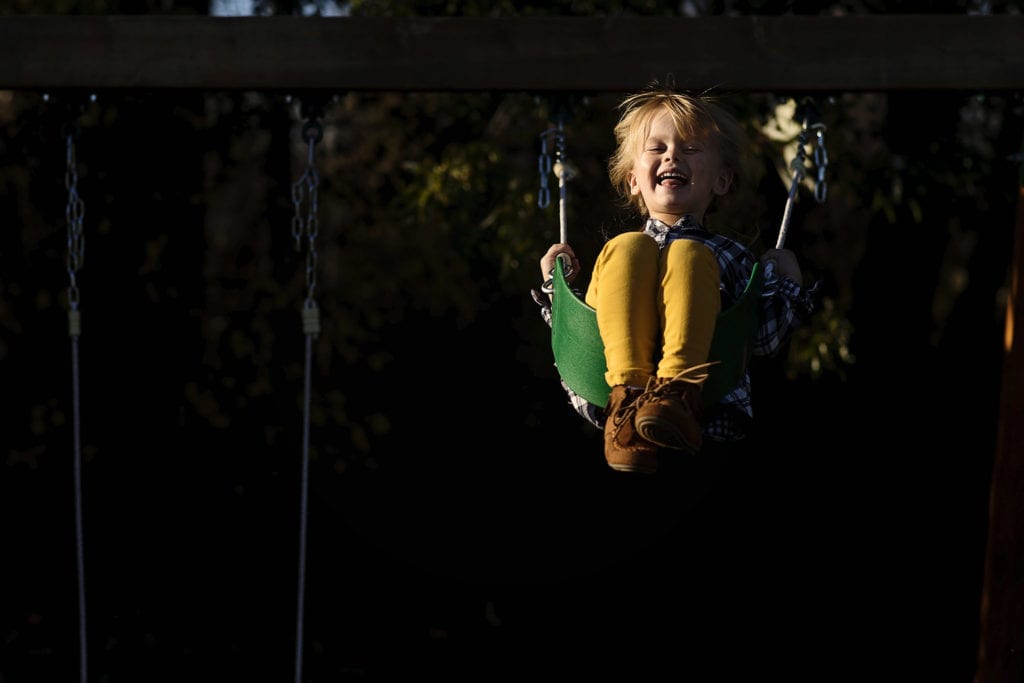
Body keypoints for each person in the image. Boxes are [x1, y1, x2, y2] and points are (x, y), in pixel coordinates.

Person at [532, 87, 817, 475]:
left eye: (691, 148)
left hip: (705, 393)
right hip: (610, 379)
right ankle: (629, 397)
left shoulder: (731, 256)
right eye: (657, 148)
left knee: (689, 254)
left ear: (721, 181)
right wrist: (558, 287)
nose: (672, 156)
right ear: (633, 180)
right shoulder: (615, 257)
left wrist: (787, 283)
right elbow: (580, 334)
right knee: (629, 247)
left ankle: (676, 394)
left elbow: (760, 339)